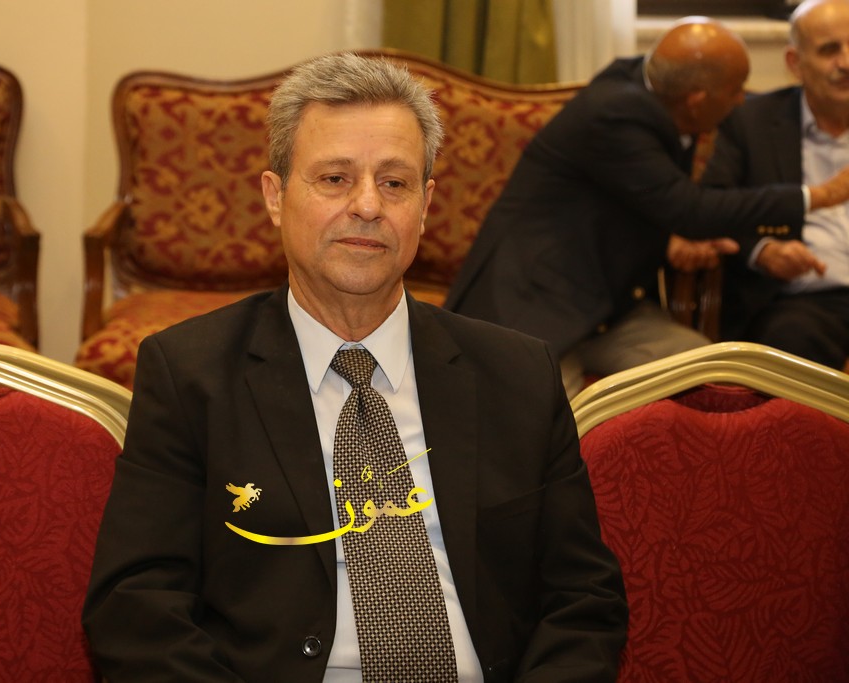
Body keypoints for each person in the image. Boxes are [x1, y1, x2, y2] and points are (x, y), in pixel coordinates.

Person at [82, 52, 627, 682]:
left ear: (425, 205)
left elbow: (584, 600)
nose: (368, 205)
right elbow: (137, 607)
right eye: (335, 178)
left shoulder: (518, 374)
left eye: (394, 183)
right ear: (276, 197)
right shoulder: (190, 375)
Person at [444, 16, 849, 397]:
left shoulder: (656, 90)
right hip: (534, 303)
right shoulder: (615, 112)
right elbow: (690, 209)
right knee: (547, 422)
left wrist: (670, 241)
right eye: (735, 90)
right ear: (697, 100)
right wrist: (818, 196)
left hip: (612, 307)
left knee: (714, 379)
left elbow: (645, 198)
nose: (742, 99)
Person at [699, 0, 849, 370]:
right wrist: (762, 251)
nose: (846, 62)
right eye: (830, 50)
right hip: (805, 300)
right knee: (789, 340)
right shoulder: (750, 122)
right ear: (795, 63)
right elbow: (711, 206)